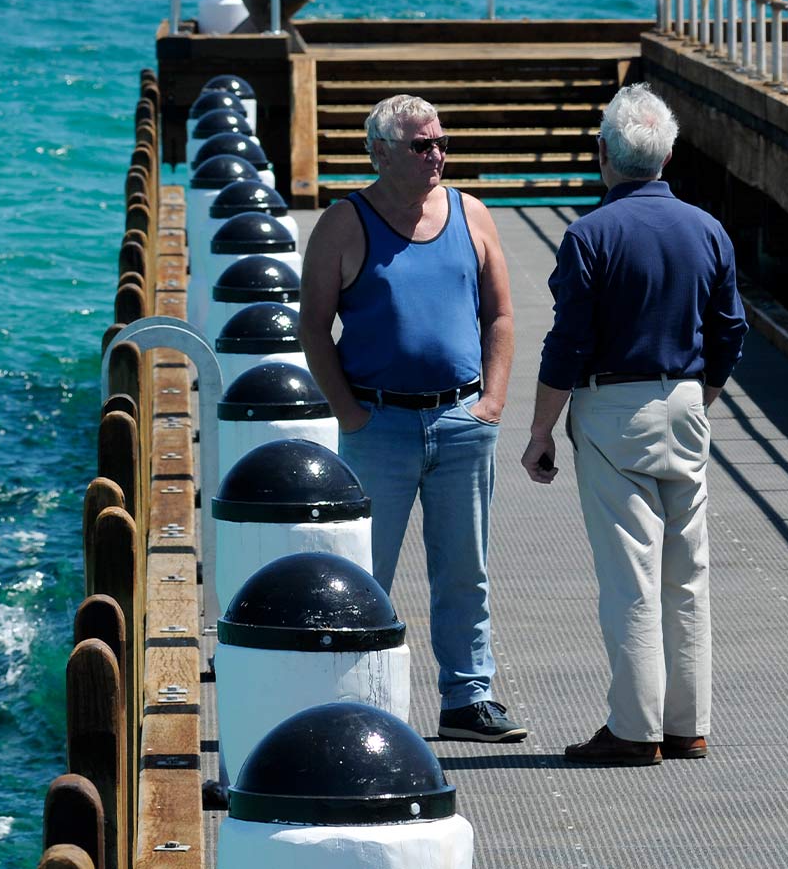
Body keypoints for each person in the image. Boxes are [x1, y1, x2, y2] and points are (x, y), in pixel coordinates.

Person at [521, 84, 748, 767]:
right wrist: (701, 394)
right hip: (685, 401)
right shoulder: (707, 229)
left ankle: (634, 728)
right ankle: (688, 724)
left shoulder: (589, 235)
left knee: (630, 576)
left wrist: (540, 431)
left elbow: (567, 344)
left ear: (603, 156)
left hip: (613, 405)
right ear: (669, 153)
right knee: (686, 573)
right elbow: (730, 329)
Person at [298, 93, 526, 744]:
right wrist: (349, 412)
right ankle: (354, 698)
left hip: (461, 421)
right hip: (380, 425)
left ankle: (467, 698)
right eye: (421, 146)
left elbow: (502, 315)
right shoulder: (346, 224)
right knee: (365, 573)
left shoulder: (471, 213)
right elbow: (314, 327)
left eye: (441, 142)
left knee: (464, 570)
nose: (437, 156)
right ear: (380, 153)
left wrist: (493, 404)